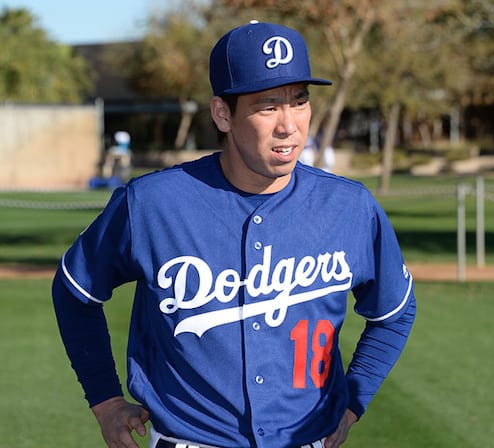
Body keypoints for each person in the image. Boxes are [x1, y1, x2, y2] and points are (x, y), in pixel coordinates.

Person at [52, 21, 416, 448]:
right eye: (267, 107)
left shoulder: (350, 207)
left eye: (299, 102)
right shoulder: (152, 203)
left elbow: (394, 313)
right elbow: (76, 291)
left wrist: (353, 402)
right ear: (223, 113)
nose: (289, 125)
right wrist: (106, 401)